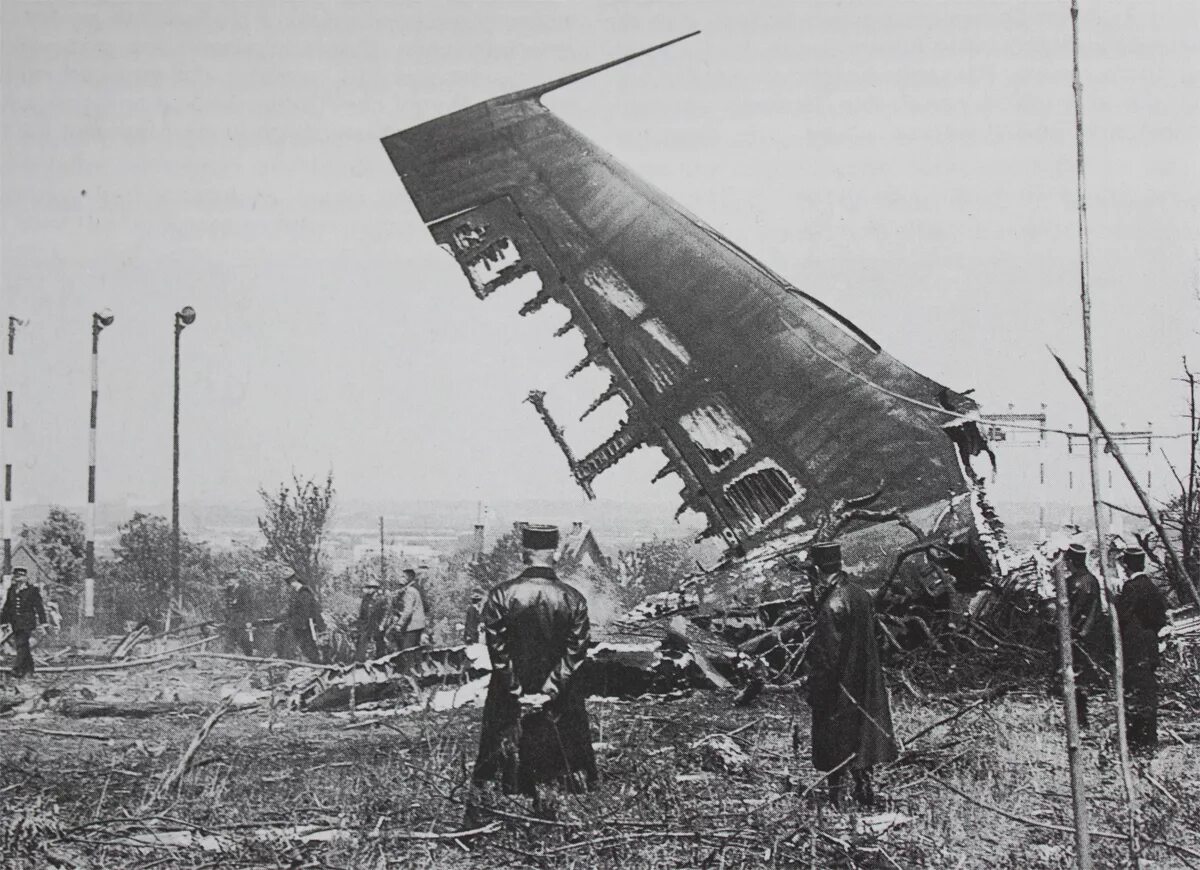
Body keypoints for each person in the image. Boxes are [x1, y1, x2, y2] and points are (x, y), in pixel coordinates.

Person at [471, 523, 597, 811]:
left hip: (508, 697)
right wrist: (547, 692)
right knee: (562, 770)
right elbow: (575, 653)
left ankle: (495, 820)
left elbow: (498, 652)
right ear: (554, 554)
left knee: (500, 767)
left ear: (523, 554)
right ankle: (559, 826)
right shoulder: (573, 598)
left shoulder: (501, 595)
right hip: (560, 700)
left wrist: (517, 690)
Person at [805, 541, 896, 807]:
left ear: (819, 570)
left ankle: (837, 799)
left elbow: (827, 655)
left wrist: (816, 689)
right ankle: (864, 790)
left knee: (833, 738)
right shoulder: (861, 595)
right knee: (862, 736)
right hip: (865, 680)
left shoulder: (832, 603)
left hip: (839, 684)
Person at [1116, 546, 1168, 752]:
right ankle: (1149, 736)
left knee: (1136, 691)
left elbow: (1122, 616)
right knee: (1148, 691)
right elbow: (1159, 619)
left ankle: (1139, 739)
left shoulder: (1132, 587)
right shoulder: (1151, 586)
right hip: (1149, 646)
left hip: (1136, 648)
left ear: (1127, 566)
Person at [1056, 543, 1105, 729]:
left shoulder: (1076, 582)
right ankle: (1080, 719)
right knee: (1081, 680)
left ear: (1070, 561)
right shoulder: (1091, 579)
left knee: (1073, 678)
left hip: (1075, 636)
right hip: (1088, 635)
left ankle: (1078, 721)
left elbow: (1071, 611)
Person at [1, 567, 48, 678]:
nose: (18, 579)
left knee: (21, 644)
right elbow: (7, 607)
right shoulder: (11, 590)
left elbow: (39, 607)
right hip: (15, 623)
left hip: (27, 623)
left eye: (20, 576)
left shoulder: (32, 590)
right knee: (23, 646)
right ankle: (29, 670)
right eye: (16, 576)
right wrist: (3, 622)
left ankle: (17, 669)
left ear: (26, 578)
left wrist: (44, 622)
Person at [284, 572, 326, 663]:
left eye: (291, 583)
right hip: (300, 623)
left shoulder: (304, 593)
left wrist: (301, 624)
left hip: (307, 624)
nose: (291, 585)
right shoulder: (297, 594)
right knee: (304, 645)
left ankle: (316, 663)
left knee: (309, 645)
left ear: (296, 581)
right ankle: (312, 662)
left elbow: (306, 611)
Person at [390, 567, 427, 652]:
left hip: (412, 625)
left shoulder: (409, 591)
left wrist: (399, 624)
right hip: (417, 624)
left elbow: (408, 610)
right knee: (414, 650)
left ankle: (408, 665)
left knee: (406, 651)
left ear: (410, 578)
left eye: (403, 576)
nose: (401, 578)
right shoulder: (413, 589)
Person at [354, 578, 389, 661]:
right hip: (366, 624)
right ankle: (360, 661)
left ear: (375, 589)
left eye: (371, 588)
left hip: (377, 624)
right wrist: (359, 624)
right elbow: (362, 613)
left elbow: (386, 613)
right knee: (362, 642)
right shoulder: (365, 599)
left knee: (379, 643)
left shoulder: (381, 599)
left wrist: (382, 625)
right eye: (368, 588)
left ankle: (380, 661)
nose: (369, 590)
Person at [223, 575, 255, 656]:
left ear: (237, 580)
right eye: (227, 579)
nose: (228, 581)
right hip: (232, 619)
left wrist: (248, 620)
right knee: (230, 639)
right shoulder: (228, 590)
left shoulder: (244, 590)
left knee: (245, 639)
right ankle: (230, 659)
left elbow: (248, 606)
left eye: (231, 579)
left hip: (242, 618)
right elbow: (228, 605)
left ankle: (249, 659)